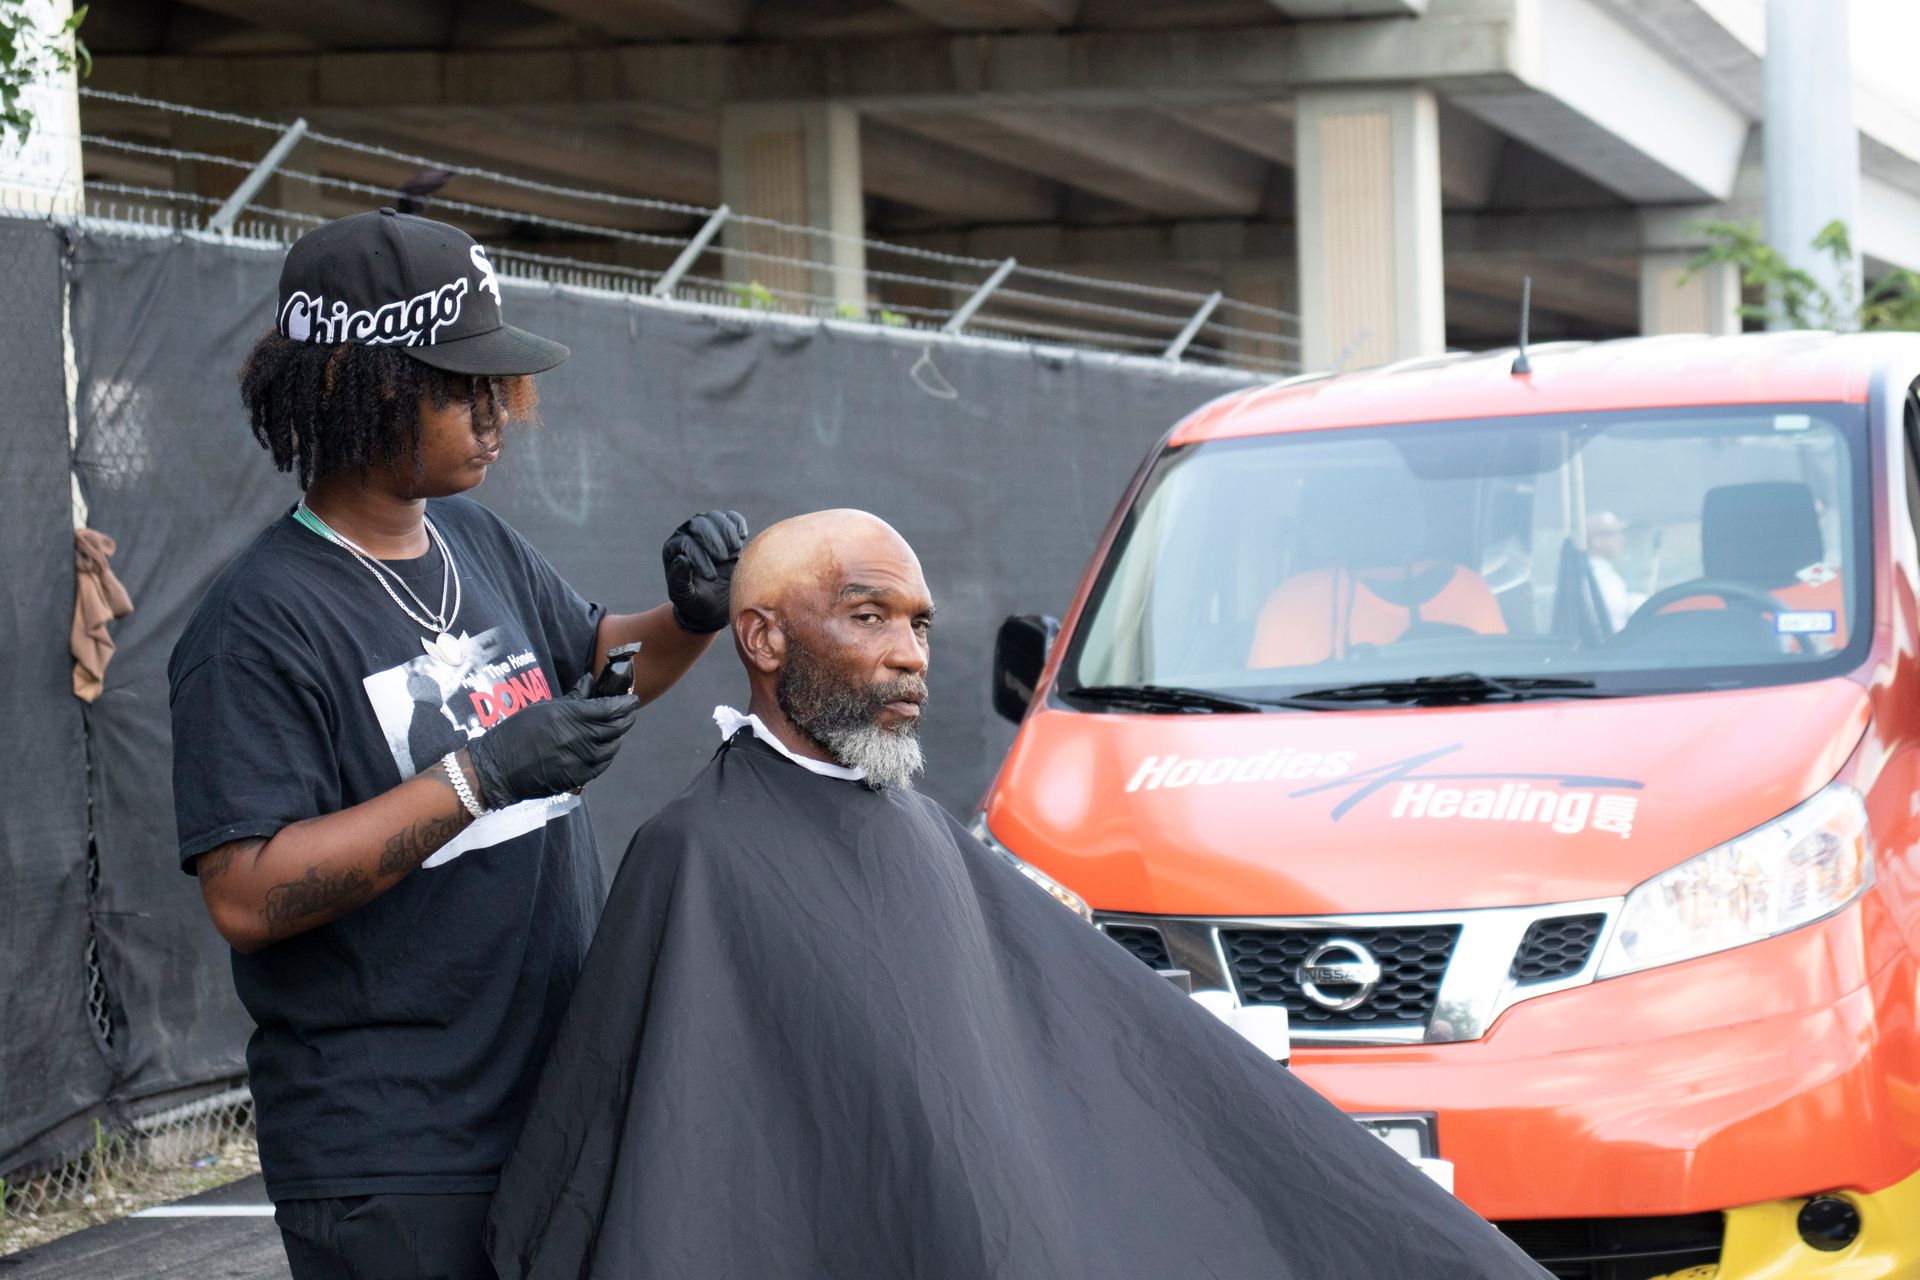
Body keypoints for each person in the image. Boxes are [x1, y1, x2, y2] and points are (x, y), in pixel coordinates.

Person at [484, 509, 1549, 1280]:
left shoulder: (928, 836)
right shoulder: (693, 859)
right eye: (869, 617)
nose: (910, 657)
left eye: (921, 625)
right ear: (763, 639)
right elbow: (657, 1149)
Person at [167, 208, 749, 1280]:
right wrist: (476, 778)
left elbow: (600, 661)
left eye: (500, 389)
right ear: (362, 388)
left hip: (546, 1104)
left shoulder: (472, 539)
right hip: (396, 1155)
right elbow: (245, 893)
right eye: (462, 387)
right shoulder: (255, 623)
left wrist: (692, 615)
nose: (496, 417)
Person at [1586, 510, 1641, 631]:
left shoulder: (1604, 573)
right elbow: (1611, 607)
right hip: (1609, 647)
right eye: (1613, 533)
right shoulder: (1593, 576)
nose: (1621, 538)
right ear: (1595, 540)